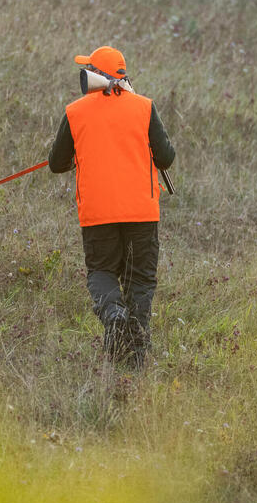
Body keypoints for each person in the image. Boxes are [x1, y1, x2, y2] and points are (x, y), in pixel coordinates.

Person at [48, 46, 175, 368]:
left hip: (97, 214)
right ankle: (135, 358)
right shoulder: (144, 107)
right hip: (141, 213)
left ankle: (114, 317)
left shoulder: (76, 112)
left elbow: (56, 163)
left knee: (102, 272)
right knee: (140, 281)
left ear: (93, 74)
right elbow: (166, 157)